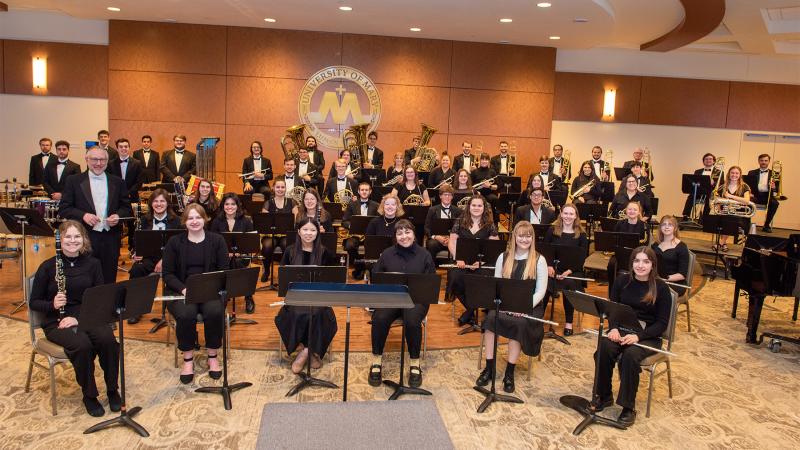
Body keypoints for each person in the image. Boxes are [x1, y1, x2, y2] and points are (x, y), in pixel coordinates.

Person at [29, 220, 119, 417]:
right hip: (56, 321)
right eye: (67, 236)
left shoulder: (93, 264)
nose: (72, 240)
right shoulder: (48, 267)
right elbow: (34, 302)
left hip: (87, 316)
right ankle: (89, 395)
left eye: (77, 236)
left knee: (108, 340)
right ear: (60, 239)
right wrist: (52, 304)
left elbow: (99, 299)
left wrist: (78, 319)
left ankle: (113, 389)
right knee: (82, 345)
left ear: (84, 239)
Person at [594, 246, 672, 426]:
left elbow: (661, 323)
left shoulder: (661, 287)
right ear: (632, 263)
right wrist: (612, 328)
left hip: (648, 335)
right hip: (621, 329)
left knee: (630, 356)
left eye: (646, 261)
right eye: (637, 261)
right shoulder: (622, 281)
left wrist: (639, 337)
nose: (641, 265)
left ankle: (628, 407)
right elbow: (612, 310)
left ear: (653, 264)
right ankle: (604, 396)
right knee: (604, 348)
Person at [476, 221, 548, 393]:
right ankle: (489, 368)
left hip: (530, 305)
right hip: (506, 303)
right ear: (514, 236)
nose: (524, 239)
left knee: (519, 324)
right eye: (521, 235)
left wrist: (522, 308)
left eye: (528, 236)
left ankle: (510, 372)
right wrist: (507, 305)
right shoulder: (504, 257)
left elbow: (541, 292)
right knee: (491, 319)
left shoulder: (539, 260)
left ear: (532, 238)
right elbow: (497, 286)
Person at [162, 204, 230, 384]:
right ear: (184, 221)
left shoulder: (217, 241)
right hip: (181, 290)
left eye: (198, 217)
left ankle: (212, 356)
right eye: (190, 218)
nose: (194, 221)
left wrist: (211, 288)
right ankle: (188, 360)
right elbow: (167, 274)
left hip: (210, 290)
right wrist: (184, 289)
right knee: (186, 314)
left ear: (205, 219)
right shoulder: (174, 242)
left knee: (214, 312)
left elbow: (224, 271)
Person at [369, 219, 435, 388]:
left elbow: (431, 283)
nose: (404, 236)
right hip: (391, 299)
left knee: (412, 321)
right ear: (395, 236)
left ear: (414, 234)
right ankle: (376, 360)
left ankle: (414, 363)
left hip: (417, 299)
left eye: (407, 232)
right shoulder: (387, 254)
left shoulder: (425, 255)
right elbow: (376, 277)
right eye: (399, 233)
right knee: (379, 318)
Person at [59, 146, 131, 286]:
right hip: (84, 238)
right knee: (84, 278)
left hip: (111, 238)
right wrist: (83, 215)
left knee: (109, 279)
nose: (98, 163)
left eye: (102, 160)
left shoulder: (118, 182)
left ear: (107, 161)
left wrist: (118, 215)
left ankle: (107, 306)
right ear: (86, 160)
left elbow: (126, 208)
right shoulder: (73, 181)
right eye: (94, 159)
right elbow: (64, 208)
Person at [275, 217, 338, 373]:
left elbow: (332, 279)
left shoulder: (325, 252)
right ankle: (311, 352)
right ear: (298, 231)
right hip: (295, 296)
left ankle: (304, 352)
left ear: (318, 233)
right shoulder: (290, 251)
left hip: (319, 296)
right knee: (297, 313)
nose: (308, 233)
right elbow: (283, 276)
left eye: (312, 230)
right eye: (305, 229)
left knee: (318, 313)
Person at [127, 188, 182, 324]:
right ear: (151, 203)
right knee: (136, 270)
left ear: (167, 203)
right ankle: (136, 309)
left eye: (162, 201)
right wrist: (136, 254)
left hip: (172, 260)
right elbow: (137, 241)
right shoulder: (144, 220)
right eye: (156, 201)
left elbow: (179, 246)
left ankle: (177, 309)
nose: (159, 204)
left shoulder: (176, 221)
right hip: (149, 259)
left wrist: (164, 260)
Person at [447, 194, 499, 326]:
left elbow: (494, 247)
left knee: (484, 279)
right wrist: (458, 258)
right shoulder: (460, 221)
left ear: (484, 208)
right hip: (462, 261)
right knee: (455, 277)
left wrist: (481, 262)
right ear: (469, 206)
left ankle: (469, 312)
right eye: (474, 205)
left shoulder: (490, 224)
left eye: (479, 205)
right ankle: (471, 309)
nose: (476, 208)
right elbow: (452, 242)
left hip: (483, 262)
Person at [543, 204, 589, 336]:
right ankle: (539, 319)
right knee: (544, 282)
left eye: (571, 214)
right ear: (561, 214)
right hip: (553, 268)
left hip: (573, 270)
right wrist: (549, 267)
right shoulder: (552, 230)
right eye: (566, 213)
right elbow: (545, 251)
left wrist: (568, 271)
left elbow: (582, 258)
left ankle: (569, 322)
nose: (568, 216)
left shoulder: (581, 234)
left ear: (576, 216)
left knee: (569, 284)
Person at [208, 193, 256, 313]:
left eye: (233, 204)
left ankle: (246, 297)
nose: (230, 207)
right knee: (229, 261)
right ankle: (237, 293)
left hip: (242, 256)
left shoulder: (246, 221)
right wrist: (225, 253)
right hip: (222, 257)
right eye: (227, 204)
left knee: (237, 261)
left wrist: (240, 251)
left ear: (237, 205)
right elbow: (211, 243)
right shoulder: (216, 221)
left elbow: (251, 242)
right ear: (223, 206)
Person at [259, 178, 296, 283]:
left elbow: (296, 220)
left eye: (282, 187)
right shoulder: (268, 203)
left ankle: (284, 273)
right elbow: (264, 222)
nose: (280, 189)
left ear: (285, 188)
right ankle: (266, 271)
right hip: (271, 234)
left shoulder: (291, 202)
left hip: (286, 234)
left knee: (287, 246)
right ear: (273, 188)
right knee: (267, 246)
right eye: (278, 187)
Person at [608, 201, 648, 290]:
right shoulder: (620, 223)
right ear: (626, 211)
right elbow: (614, 239)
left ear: (639, 212)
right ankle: (612, 291)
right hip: (621, 254)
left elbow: (646, 244)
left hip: (637, 256)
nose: (632, 211)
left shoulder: (644, 226)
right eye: (630, 209)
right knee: (611, 264)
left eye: (635, 209)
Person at [343, 181, 379, 279]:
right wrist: (351, 226)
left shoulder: (376, 205)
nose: (364, 192)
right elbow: (344, 221)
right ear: (358, 191)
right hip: (355, 235)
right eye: (362, 190)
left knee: (375, 247)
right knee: (349, 246)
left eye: (366, 190)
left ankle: (370, 270)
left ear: (370, 192)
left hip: (370, 236)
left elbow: (379, 221)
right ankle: (360, 267)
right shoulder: (351, 205)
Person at [712, 166, 751, 252]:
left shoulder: (745, 186)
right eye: (732, 173)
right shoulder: (723, 186)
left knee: (730, 219)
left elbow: (747, 201)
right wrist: (718, 209)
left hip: (739, 214)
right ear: (729, 174)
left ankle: (721, 242)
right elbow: (717, 200)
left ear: (740, 175)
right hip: (725, 212)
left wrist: (731, 196)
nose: (734, 175)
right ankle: (723, 243)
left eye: (737, 173)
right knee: (720, 218)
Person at [651, 215, 690, 297]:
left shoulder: (682, 247)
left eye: (670, 225)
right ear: (660, 227)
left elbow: (682, 274)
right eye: (664, 224)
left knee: (655, 291)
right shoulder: (655, 245)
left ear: (675, 228)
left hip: (675, 283)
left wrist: (664, 279)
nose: (666, 227)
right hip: (657, 280)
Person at [424, 184, 462, 263]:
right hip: (437, 240)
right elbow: (427, 227)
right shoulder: (432, 210)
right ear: (440, 196)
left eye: (449, 195)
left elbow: (461, 229)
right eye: (445, 195)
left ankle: (453, 270)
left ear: (452, 197)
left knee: (460, 245)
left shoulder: (458, 211)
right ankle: (431, 270)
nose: (447, 197)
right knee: (431, 244)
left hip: (452, 240)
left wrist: (451, 238)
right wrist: (436, 237)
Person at [681, 153, 722, 220]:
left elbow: (721, 185)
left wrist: (714, 183)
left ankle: (705, 219)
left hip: (710, 193)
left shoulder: (719, 172)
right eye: (706, 159)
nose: (708, 160)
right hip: (699, 192)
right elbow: (693, 182)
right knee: (691, 196)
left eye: (710, 159)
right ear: (703, 161)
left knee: (709, 198)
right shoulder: (698, 171)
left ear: (714, 161)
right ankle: (686, 215)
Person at [747, 154, 780, 233]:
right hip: (755, 196)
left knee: (775, 203)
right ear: (758, 161)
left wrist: (774, 187)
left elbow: (777, 189)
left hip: (767, 196)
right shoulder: (751, 173)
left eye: (766, 160)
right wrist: (749, 193)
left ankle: (766, 225)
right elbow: (747, 186)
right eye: (762, 160)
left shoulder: (775, 174)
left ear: (769, 162)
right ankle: (746, 223)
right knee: (746, 201)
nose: (763, 162)